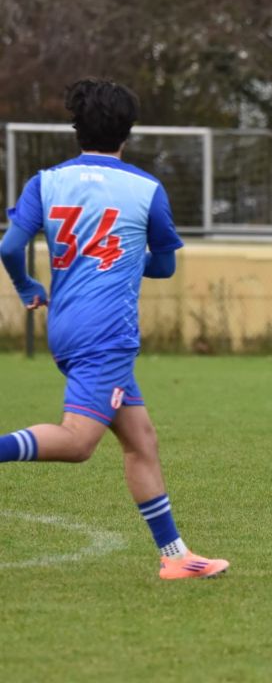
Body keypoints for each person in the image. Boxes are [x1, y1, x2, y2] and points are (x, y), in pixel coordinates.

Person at [0, 79, 229, 579]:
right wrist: (126, 259)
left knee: (140, 438)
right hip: (108, 332)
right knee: (79, 441)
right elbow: (165, 266)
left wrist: (25, 288)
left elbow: (10, 248)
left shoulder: (46, 181)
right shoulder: (146, 190)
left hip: (65, 326)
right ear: (128, 131)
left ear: (76, 128)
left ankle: (175, 557)